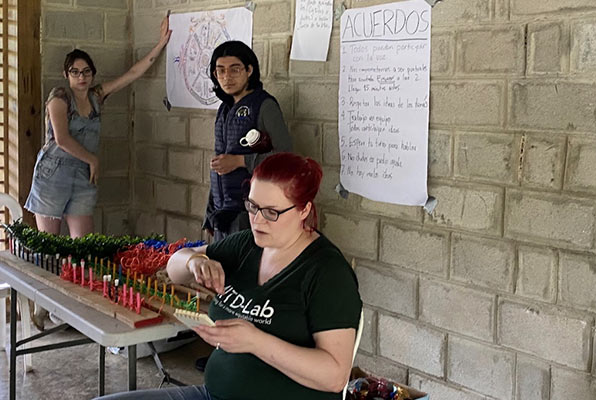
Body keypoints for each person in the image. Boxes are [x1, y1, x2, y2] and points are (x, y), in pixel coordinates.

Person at [95, 153, 363, 400]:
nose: (257, 220)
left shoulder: (327, 272)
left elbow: (335, 376)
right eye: (252, 206)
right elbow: (174, 267)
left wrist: (257, 342)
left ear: (304, 210)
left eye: (272, 212)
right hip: (215, 394)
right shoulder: (247, 245)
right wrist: (194, 261)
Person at [26, 16, 171, 329]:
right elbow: (62, 139)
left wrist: (160, 44)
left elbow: (132, 74)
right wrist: (93, 159)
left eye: (86, 71)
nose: (81, 77)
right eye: (75, 72)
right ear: (67, 74)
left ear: (92, 75)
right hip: (54, 173)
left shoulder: (97, 96)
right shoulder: (59, 98)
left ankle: (70, 307)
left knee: (83, 246)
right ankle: (41, 305)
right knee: (49, 247)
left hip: (82, 178)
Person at [203, 40, 292, 242]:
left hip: (251, 213)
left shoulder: (264, 105)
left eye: (235, 70)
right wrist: (210, 212)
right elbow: (220, 165)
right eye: (221, 71)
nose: (227, 77)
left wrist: (240, 161)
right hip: (222, 213)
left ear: (249, 70)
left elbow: (286, 157)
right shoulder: (224, 109)